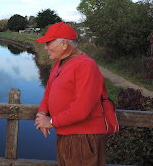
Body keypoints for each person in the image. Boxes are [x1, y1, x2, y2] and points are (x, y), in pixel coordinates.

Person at [34, 22, 107, 166]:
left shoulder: (86, 66)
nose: (46, 47)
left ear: (64, 44)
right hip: (66, 135)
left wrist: (51, 122)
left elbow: (81, 109)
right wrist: (42, 113)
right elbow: (48, 92)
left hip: (83, 138)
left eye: (49, 43)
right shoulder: (60, 63)